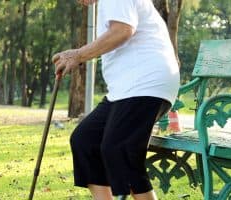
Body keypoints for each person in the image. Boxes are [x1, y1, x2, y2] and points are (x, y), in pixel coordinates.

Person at [52, 0, 180, 199]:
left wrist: (78, 55)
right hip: (125, 89)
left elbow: (122, 31)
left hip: (146, 83)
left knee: (119, 150)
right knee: (85, 140)